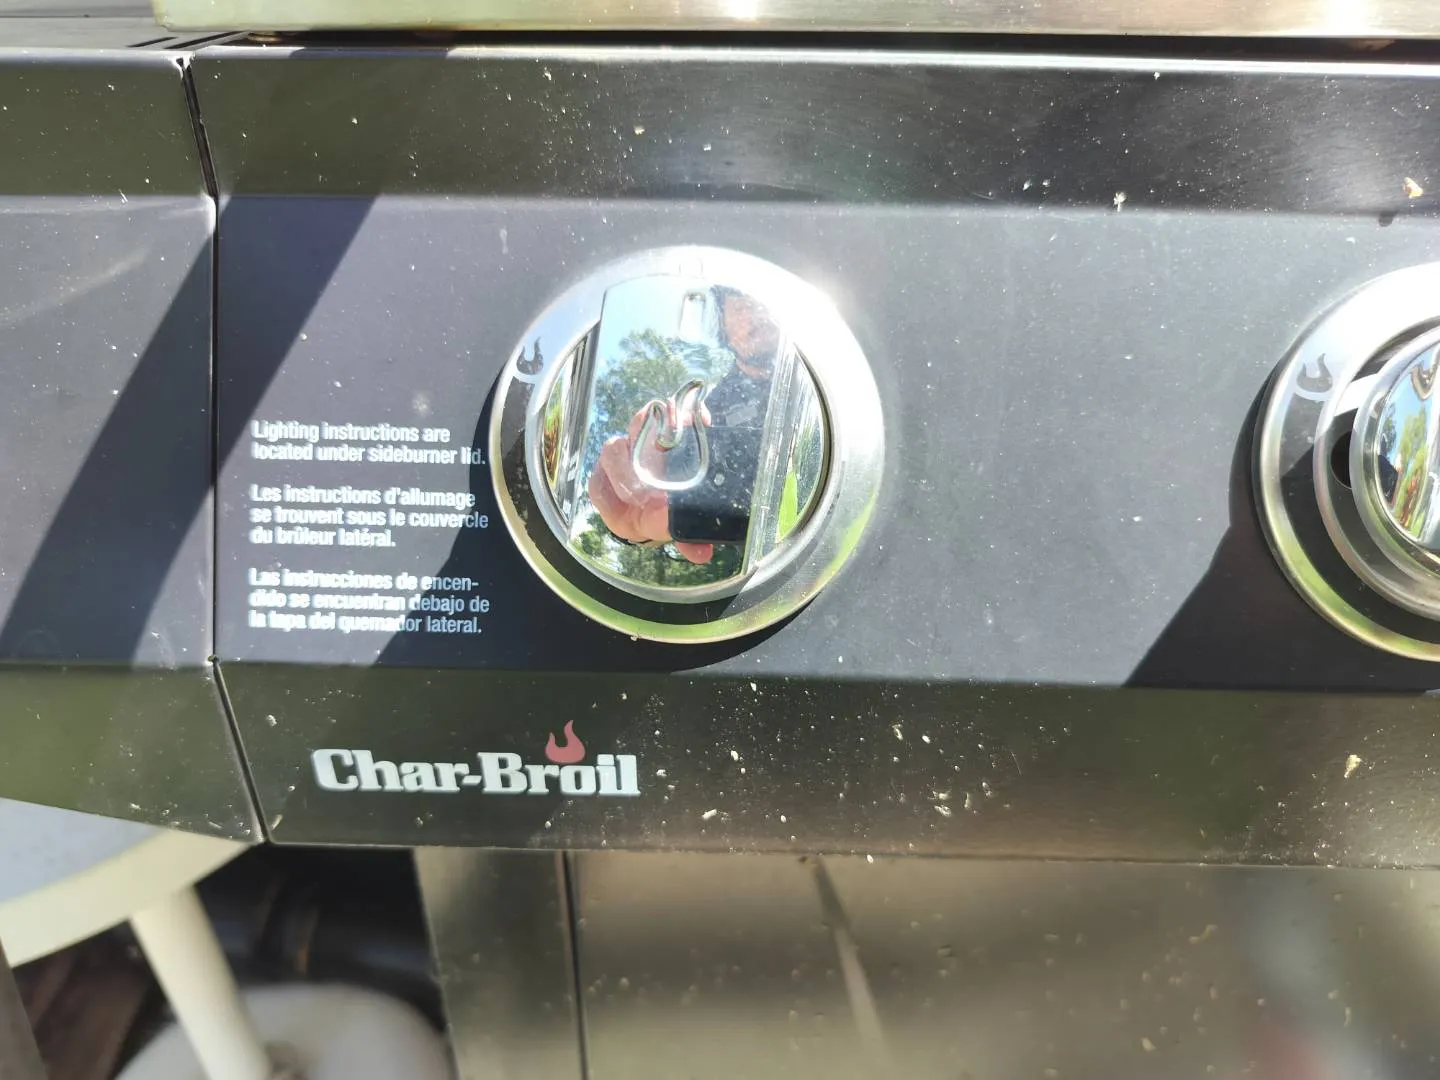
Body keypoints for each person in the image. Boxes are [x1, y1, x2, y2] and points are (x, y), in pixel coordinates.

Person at [587, 287, 781, 565]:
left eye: (757, 301)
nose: (754, 314)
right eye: (740, 308)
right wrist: (637, 523)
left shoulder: (825, 368)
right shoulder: (711, 410)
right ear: (725, 334)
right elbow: (687, 510)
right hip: (773, 564)